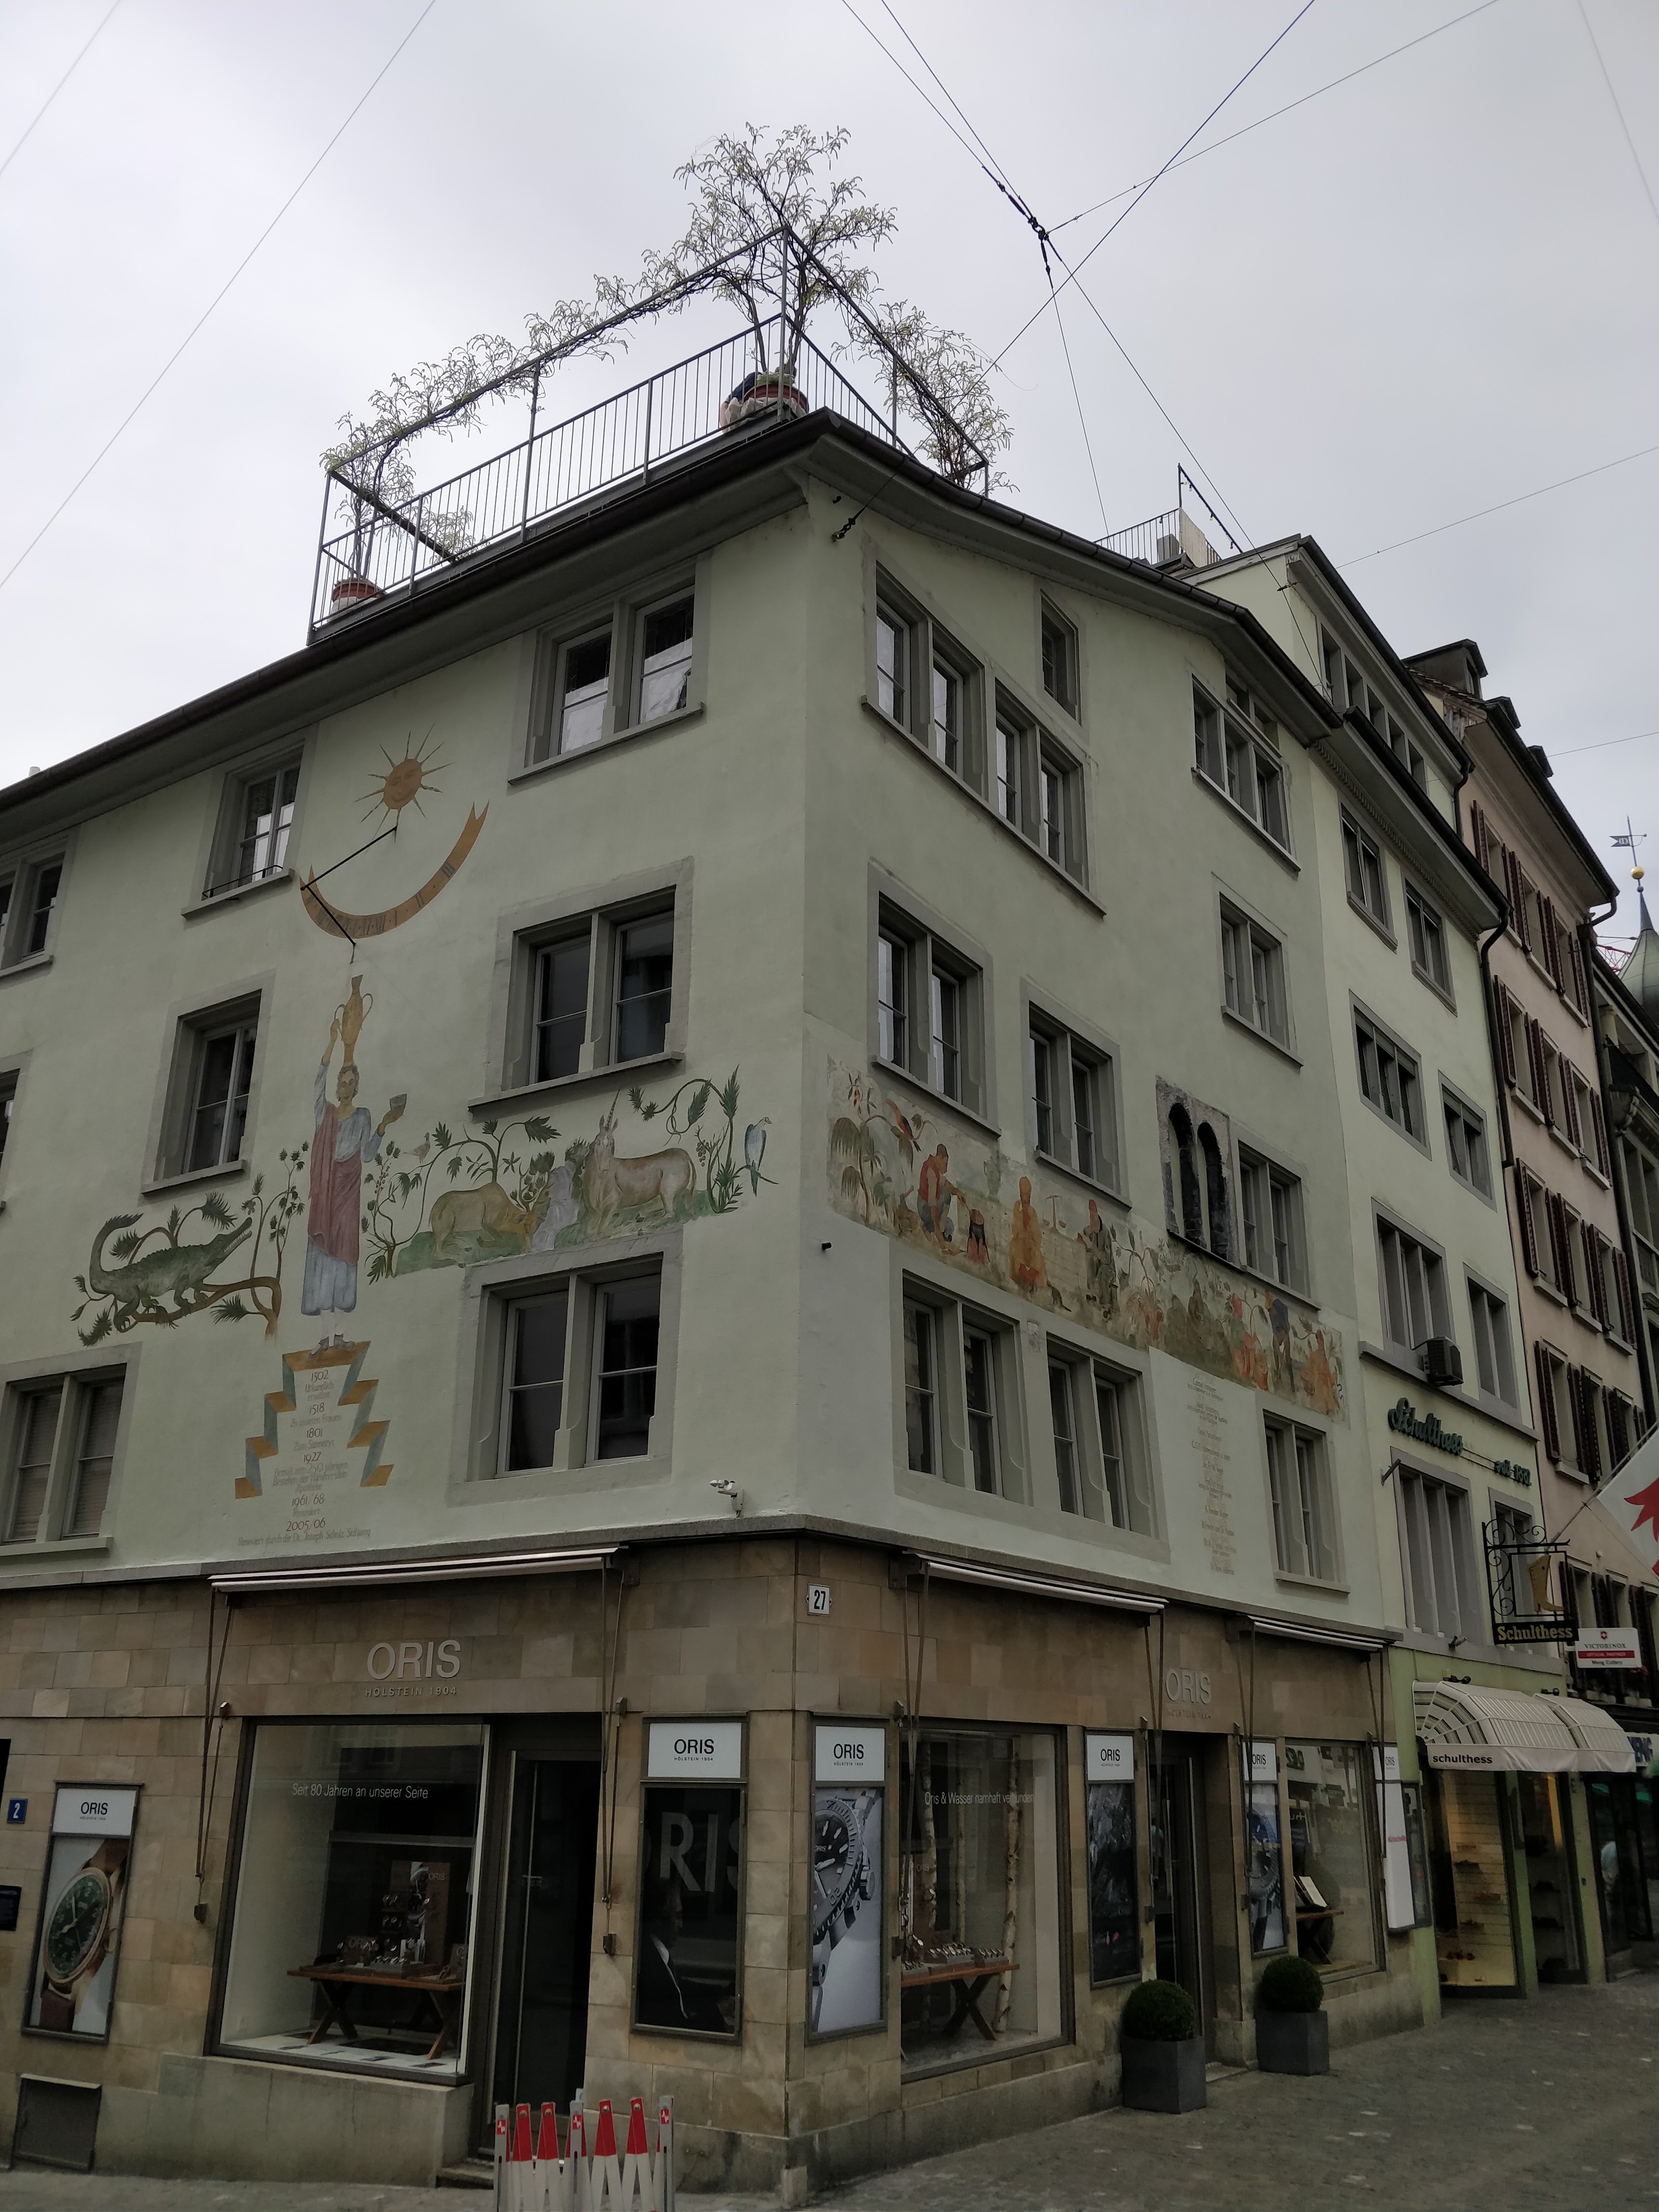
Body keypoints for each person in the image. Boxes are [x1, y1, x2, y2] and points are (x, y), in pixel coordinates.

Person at [302, 1014, 403, 1341]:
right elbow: (317, 1087)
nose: (345, 1089)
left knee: (344, 1254)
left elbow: (368, 1154)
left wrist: (384, 1125)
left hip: (347, 1193)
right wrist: (332, 1044)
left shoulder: (362, 1116)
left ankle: (340, 1332)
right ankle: (323, 1335)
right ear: (337, 1087)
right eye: (342, 1083)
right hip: (326, 1191)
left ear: (357, 1088)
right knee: (322, 1257)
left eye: (350, 1084)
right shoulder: (326, 1114)